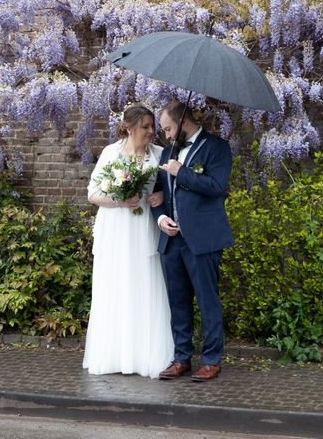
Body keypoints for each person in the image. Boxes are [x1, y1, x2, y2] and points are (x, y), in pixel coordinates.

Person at [82, 104, 174, 379]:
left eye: (152, 127)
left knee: (145, 284)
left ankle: (145, 355)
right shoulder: (112, 152)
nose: (151, 132)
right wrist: (120, 200)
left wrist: (161, 198)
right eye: (145, 127)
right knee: (115, 286)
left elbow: (170, 191)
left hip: (144, 227)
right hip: (116, 227)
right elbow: (92, 193)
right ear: (130, 128)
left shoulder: (158, 154)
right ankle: (113, 354)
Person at [151, 100, 234, 382]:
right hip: (172, 240)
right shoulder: (168, 151)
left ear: (184, 120)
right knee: (178, 302)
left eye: (169, 129)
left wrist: (181, 172)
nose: (167, 136)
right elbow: (157, 194)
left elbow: (216, 187)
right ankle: (181, 357)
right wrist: (161, 219)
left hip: (203, 238)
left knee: (208, 301)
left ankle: (211, 360)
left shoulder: (217, 148)